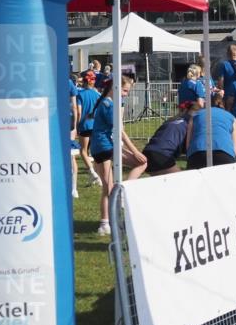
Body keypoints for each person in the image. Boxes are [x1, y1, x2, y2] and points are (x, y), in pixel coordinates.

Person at [90, 76, 147, 235]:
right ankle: (107, 221)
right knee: (109, 187)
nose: (125, 94)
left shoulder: (109, 103)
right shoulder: (108, 104)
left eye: (127, 91)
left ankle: (109, 216)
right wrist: (135, 151)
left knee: (139, 165)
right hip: (103, 147)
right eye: (124, 90)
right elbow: (120, 132)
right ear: (115, 87)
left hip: (106, 146)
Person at [186, 94, 236, 169]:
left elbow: (188, 142)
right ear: (222, 104)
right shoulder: (232, 117)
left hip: (197, 153)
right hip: (224, 153)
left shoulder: (195, 116)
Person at [143, 102, 194, 175]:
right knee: (182, 181)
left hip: (147, 151)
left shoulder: (170, 120)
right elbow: (188, 146)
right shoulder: (190, 122)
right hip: (162, 154)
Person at [74, 71, 102, 194]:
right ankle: (97, 178)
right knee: (94, 152)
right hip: (95, 125)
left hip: (84, 125)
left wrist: (76, 125)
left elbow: (79, 112)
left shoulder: (80, 94)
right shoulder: (96, 94)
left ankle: (92, 171)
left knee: (83, 151)